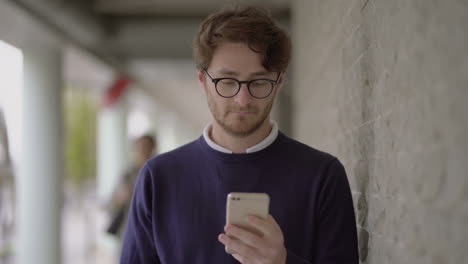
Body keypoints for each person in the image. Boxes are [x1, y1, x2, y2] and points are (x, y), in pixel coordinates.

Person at [121, 6, 359, 264]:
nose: (242, 99)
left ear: (278, 83)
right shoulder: (158, 178)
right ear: (203, 81)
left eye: (258, 82)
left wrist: (282, 261)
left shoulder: (323, 176)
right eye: (227, 81)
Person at [106, 134, 156, 239]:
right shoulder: (127, 175)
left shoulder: (158, 174)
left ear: (153, 149)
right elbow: (110, 204)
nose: (143, 152)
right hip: (129, 233)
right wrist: (120, 198)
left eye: (147, 148)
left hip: (153, 234)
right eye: (141, 148)